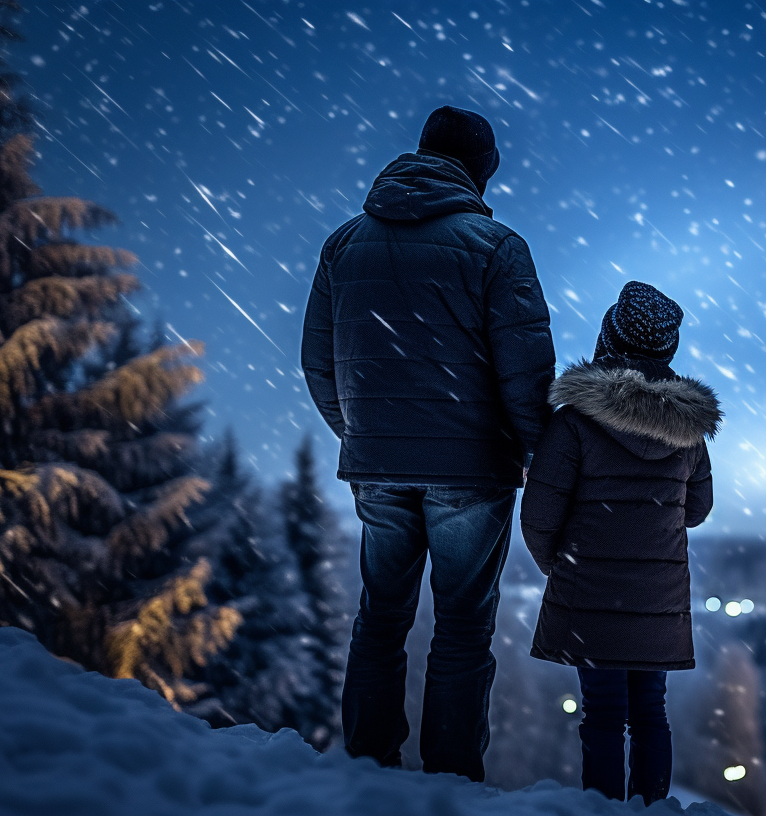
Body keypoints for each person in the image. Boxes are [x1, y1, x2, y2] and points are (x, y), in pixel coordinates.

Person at [300, 106, 555, 782]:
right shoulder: (498, 248)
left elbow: (319, 363)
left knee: (379, 617)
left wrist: (363, 433)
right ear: (480, 171)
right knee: (463, 629)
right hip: (471, 471)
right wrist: (537, 454)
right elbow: (525, 374)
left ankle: (366, 766)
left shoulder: (343, 244)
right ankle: (449, 782)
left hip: (378, 465)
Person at [521, 281, 721, 804]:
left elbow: (539, 515)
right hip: (658, 596)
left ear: (608, 340)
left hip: (590, 595)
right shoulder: (688, 432)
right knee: (651, 713)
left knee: (602, 716)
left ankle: (602, 809)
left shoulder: (575, 422)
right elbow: (697, 509)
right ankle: (655, 807)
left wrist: (560, 567)